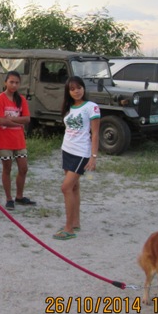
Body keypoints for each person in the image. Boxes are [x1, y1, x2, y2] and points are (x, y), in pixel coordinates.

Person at [54, 76, 100, 240]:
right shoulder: (69, 108)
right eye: (72, 89)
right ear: (68, 92)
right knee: (74, 187)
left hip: (81, 152)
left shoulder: (91, 107)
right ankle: (75, 222)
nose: (76, 91)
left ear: (83, 88)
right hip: (67, 150)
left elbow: (95, 134)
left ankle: (68, 229)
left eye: (79, 87)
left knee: (65, 187)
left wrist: (93, 157)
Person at [0, 71, 36, 210]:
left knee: (23, 168)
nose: (14, 85)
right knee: (7, 168)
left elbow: (27, 119)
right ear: (5, 82)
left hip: (19, 140)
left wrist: (10, 119)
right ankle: (8, 198)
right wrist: (18, 122)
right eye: (11, 82)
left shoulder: (21, 99)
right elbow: (1, 121)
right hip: (4, 140)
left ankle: (19, 196)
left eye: (17, 82)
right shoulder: (0, 99)